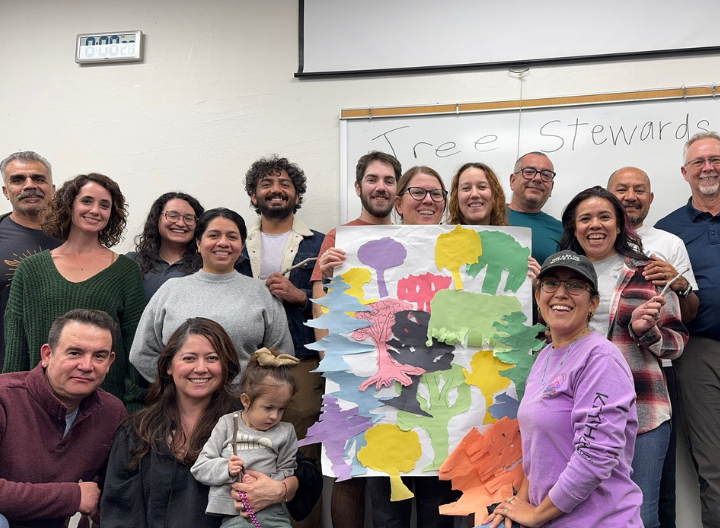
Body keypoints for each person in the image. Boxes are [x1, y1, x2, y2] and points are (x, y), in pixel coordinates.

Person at [102, 318, 321, 527]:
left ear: (226, 366)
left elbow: (306, 473)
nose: (200, 368)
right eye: (189, 358)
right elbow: (119, 510)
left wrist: (282, 488)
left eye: (212, 358)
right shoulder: (139, 430)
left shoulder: (247, 420)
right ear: (169, 366)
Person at [483, 250, 643, 528]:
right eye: (551, 283)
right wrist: (520, 503)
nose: (561, 293)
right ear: (537, 296)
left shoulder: (600, 358)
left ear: (593, 303)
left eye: (575, 285)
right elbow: (540, 453)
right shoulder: (545, 356)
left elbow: (595, 457)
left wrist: (536, 515)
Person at [559, 186, 687, 528]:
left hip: (642, 408)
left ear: (620, 225)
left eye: (604, 217)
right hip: (574, 411)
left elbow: (676, 343)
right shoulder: (558, 275)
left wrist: (647, 330)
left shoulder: (649, 271)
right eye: (585, 218)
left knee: (640, 515)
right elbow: (546, 339)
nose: (595, 225)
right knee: (579, 511)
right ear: (573, 227)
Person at [310, 150, 401, 528]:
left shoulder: (414, 234)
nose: (380, 187)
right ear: (358, 186)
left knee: (391, 459)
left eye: (388, 180)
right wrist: (329, 358)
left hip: (397, 363)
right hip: (350, 365)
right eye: (373, 179)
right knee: (348, 468)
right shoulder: (338, 237)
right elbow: (319, 295)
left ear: (398, 189)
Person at [2, 173, 147, 408]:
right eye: (87, 201)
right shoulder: (30, 269)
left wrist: (133, 403)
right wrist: (11, 401)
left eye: (104, 205)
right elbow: (16, 342)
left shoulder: (126, 271)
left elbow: (135, 343)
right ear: (69, 205)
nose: (95, 210)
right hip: (37, 404)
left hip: (105, 405)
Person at [366, 165, 458, 528]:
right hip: (386, 416)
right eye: (417, 192)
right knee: (389, 517)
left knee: (439, 514)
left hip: (444, 409)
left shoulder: (459, 250)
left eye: (436, 194)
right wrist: (330, 277)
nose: (428, 200)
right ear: (399, 201)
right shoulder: (368, 250)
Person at [608, 166, 699, 528]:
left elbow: (687, 316)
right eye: (622, 189)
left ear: (651, 198)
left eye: (640, 189)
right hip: (594, 379)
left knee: (655, 487)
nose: (631, 195)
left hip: (653, 376)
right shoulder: (591, 239)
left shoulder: (668, 243)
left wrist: (678, 285)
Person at [236, 156, 324, 528]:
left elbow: (347, 303)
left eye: (285, 183)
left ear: (297, 194)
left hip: (301, 359)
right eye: (267, 183)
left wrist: (300, 295)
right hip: (244, 363)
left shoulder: (320, 244)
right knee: (243, 447)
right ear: (254, 195)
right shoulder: (233, 240)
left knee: (301, 453)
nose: (276, 189)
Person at [130, 207, 294, 380]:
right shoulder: (171, 289)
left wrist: (252, 395)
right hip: (179, 404)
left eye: (232, 237)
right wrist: (177, 387)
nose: (223, 243)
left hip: (244, 403)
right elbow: (142, 352)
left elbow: (281, 355)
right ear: (199, 243)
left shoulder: (262, 293)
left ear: (242, 246)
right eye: (214, 235)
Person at [0, 309, 127, 528]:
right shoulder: (5, 398)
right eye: (75, 353)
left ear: (110, 362)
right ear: (47, 355)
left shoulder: (111, 413)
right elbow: (82, 497)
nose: (87, 366)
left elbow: (111, 494)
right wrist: (72, 496)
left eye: (99, 356)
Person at [655, 131, 720, 528]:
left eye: (715, 159)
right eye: (699, 162)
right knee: (712, 463)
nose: (709, 167)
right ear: (684, 172)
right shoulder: (668, 230)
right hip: (698, 352)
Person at [191, 348, 300, 528]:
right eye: (268, 408)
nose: (275, 416)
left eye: (281, 409)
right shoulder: (227, 424)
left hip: (273, 513)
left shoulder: (286, 431)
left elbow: (288, 469)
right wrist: (226, 468)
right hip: (234, 513)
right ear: (246, 401)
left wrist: (266, 483)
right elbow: (200, 467)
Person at [0, 151, 61, 367]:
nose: (29, 185)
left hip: (69, 369)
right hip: (7, 368)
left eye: (38, 178)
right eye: (18, 179)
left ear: (52, 189)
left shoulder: (77, 236)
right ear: (6, 191)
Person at [447, 161, 540, 278]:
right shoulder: (438, 243)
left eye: (482, 187)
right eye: (466, 188)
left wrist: (536, 285)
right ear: (456, 197)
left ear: (494, 195)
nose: (474, 194)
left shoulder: (513, 246)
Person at [127, 191, 204, 301]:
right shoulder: (132, 262)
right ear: (157, 219)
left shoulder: (204, 267)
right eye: (173, 216)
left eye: (189, 218)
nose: (181, 223)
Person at [506, 152, 563, 263]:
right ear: (513, 181)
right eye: (529, 172)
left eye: (546, 175)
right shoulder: (488, 217)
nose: (537, 178)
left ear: (551, 187)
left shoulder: (562, 231)